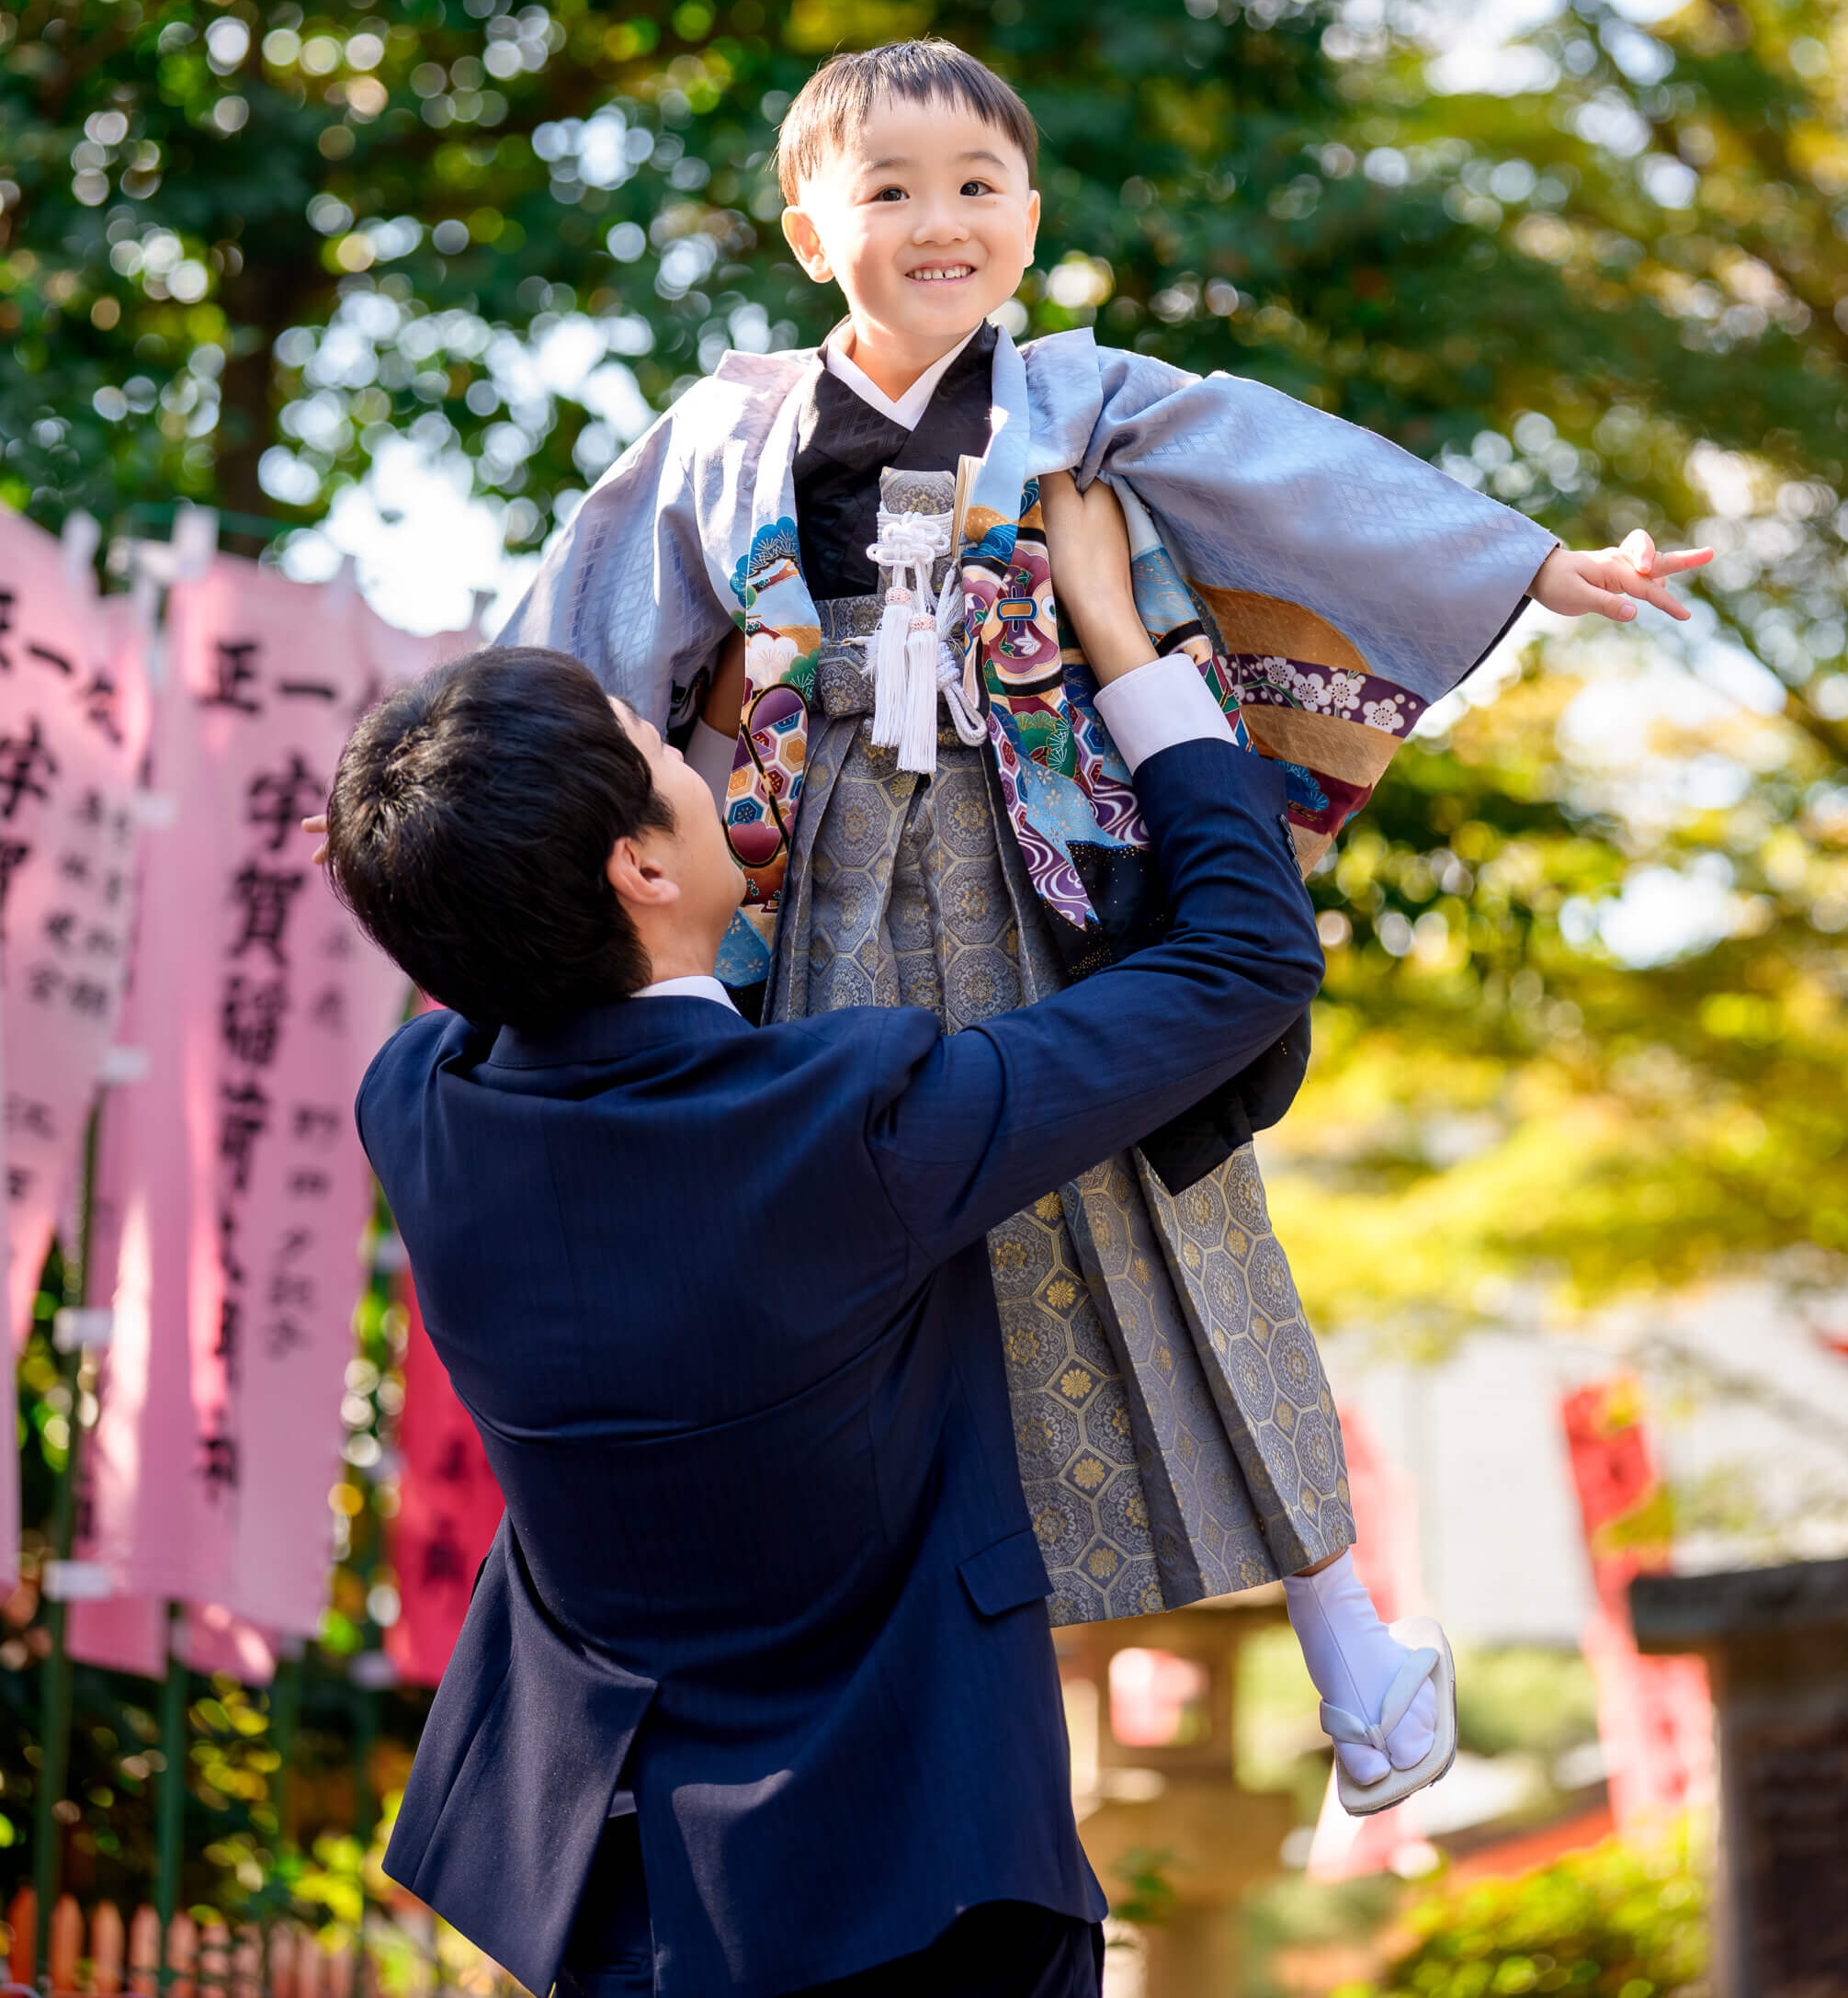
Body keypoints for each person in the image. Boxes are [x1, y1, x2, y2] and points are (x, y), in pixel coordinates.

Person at [497, 39, 1708, 1804]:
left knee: (1169, 1203)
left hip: (1048, 870)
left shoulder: (1084, 395)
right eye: (890, 188)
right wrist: (434, 791)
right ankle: (886, 1695)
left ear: (1032, 217)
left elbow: (1291, 468)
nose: (940, 221)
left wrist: (1530, 560)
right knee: (829, 1253)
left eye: (979, 187)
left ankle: (1345, 1640)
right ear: (805, 221)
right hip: (812, 878)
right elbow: (577, 628)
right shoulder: (724, 433)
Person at [327, 475, 1348, 1998]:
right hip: (916, 1885)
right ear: (640, 867)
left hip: (605, 1888)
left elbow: (604, 1020)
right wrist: (1128, 649)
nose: (689, 743)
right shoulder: (848, 1124)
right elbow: (1246, 962)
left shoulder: (421, 1100)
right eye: (654, 751)